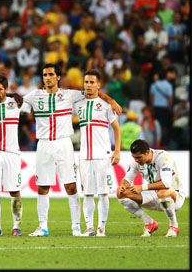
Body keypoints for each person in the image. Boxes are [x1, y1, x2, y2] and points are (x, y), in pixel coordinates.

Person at [21, 63, 121, 237]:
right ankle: (43, 226)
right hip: (43, 144)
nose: (47, 77)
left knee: (71, 186)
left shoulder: (70, 95)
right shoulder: (34, 96)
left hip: (63, 143)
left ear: (58, 77)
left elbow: (93, 93)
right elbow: (16, 103)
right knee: (42, 187)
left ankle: (76, 226)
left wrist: (111, 100)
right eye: (44, 75)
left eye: (51, 74)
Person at [73, 69, 121, 237]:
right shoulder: (78, 104)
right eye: (86, 82)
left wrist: (117, 151)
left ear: (98, 85)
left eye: (92, 82)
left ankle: (101, 229)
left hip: (103, 155)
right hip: (84, 155)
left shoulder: (107, 105)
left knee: (103, 193)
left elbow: (116, 129)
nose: (88, 85)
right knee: (87, 193)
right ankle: (90, 228)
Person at [0, 74, 29, 237]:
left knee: (14, 191)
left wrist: (13, 95)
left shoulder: (16, 103)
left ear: (6, 89)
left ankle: (16, 227)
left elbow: (32, 102)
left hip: (12, 154)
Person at [117, 139, 185, 237]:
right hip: (154, 195)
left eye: (138, 157)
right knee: (121, 194)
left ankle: (173, 225)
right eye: (133, 157)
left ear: (148, 152)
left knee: (163, 193)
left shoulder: (163, 158)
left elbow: (166, 183)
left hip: (174, 196)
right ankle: (149, 223)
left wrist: (142, 187)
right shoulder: (137, 162)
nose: (136, 160)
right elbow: (126, 179)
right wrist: (123, 186)